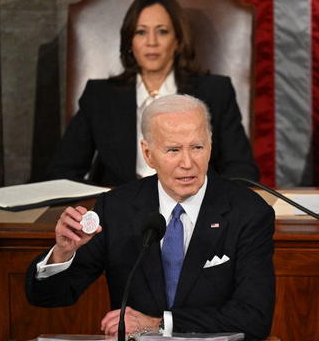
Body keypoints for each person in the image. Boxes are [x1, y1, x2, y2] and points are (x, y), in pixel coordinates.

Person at [25, 95, 275, 340]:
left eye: (197, 147)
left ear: (210, 146)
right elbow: (50, 297)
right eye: (173, 150)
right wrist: (62, 254)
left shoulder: (248, 212)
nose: (187, 163)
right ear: (148, 154)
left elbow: (254, 318)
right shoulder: (116, 208)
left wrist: (158, 324)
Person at [47, 0, 259, 186]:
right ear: (130, 41)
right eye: (141, 32)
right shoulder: (100, 96)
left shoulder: (215, 92)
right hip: (119, 211)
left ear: (177, 41)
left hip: (195, 210)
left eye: (162, 32)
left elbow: (242, 170)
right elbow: (62, 172)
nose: (151, 42)